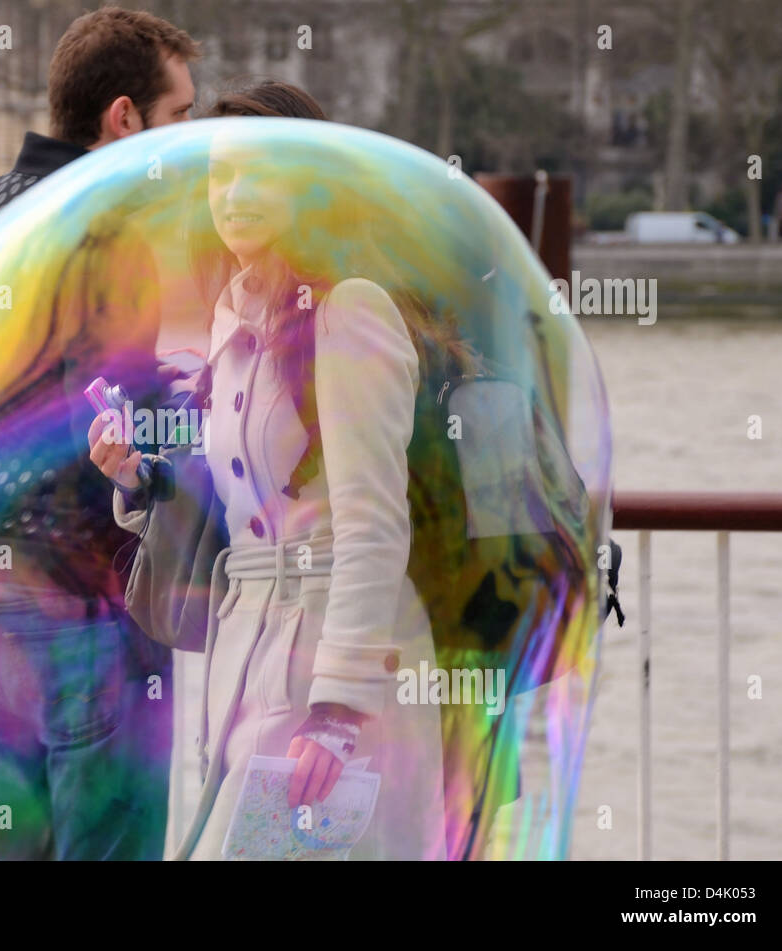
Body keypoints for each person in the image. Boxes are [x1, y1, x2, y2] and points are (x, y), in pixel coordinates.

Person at [91, 82, 469, 860]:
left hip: (340, 667)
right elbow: (244, 501)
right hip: (247, 655)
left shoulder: (351, 308)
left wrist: (339, 708)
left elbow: (371, 521)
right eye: (221, 174)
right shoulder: (233, 310)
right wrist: (141, 478)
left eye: (262, 172)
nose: (235, 195)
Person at [0, 8, 199, 860]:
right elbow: (125, 430)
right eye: (181, 116)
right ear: (124, 117)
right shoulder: (112, 234)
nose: (186, 140)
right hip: (94, 605)